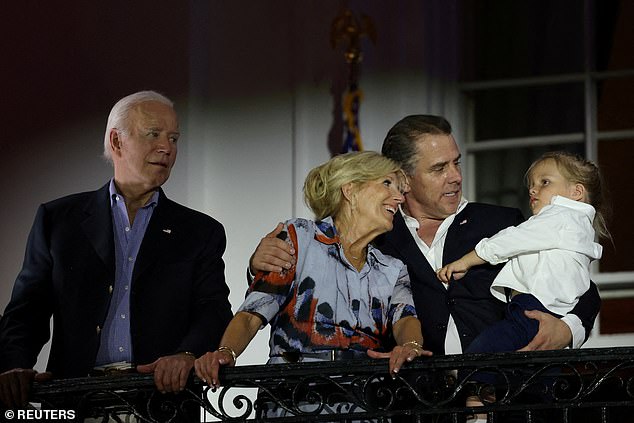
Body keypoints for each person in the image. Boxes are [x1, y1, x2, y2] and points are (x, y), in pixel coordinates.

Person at [249, 115, 601, 357]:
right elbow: (318, 270)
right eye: (439, 168)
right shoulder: (376, 235)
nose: (455, 177)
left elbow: (579, 283)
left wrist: (568, 329)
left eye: (456, 163)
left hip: (505, 398)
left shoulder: (502, 222)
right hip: (412, 403)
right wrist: (262, 263)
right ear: (404, 177)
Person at [0, 91, 233, 411]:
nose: (167, 147)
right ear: (117, 141)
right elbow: (27, 310)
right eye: (154, 134)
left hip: (163, 403)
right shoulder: (58, 220)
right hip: (77, 400)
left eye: (174, 137)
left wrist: (187, 354)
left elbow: (214, 310)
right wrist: (14, 366)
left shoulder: (201, 231)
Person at [194, 151, 432, 418]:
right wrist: (226, 352)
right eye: (387, 184)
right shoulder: (299, 238)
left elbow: (405, 319)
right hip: (294, 398)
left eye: (399, 190)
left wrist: (410, 345)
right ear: (350, 190)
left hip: (363, 401)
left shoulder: (392, 267)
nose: (399, 198)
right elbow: (253, 313)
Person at [436, 151, 608, 420]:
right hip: (544, 315)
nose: (533, 188)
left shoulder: (560, 217)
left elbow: (511, 239)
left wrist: (466, 261)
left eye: (545, 182)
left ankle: (477, 414)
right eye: (532, 183)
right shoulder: (570, 225)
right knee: (538, 387)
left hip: (529, 313)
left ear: (576, 192)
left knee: (476, 359)